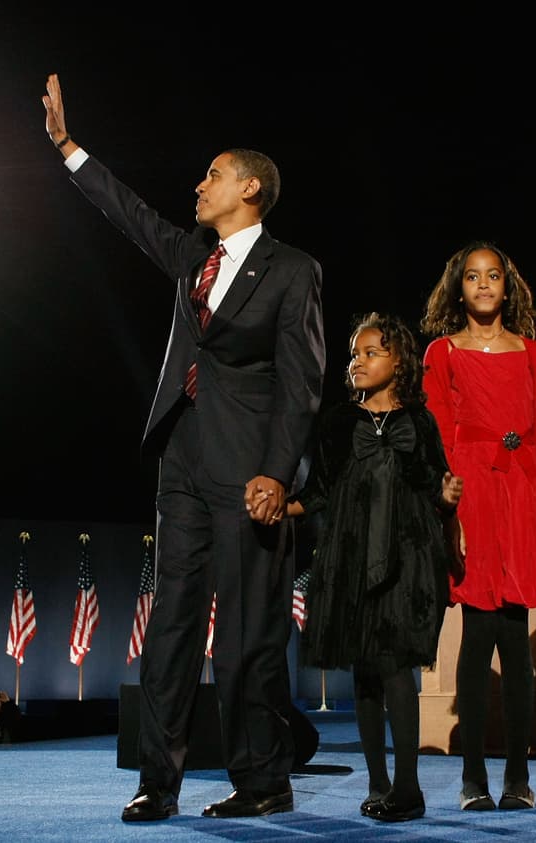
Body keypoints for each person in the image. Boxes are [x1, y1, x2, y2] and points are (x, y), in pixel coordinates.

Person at [42, 74, 325, 822]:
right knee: (169, 624)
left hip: (249, 471)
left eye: (213, 174)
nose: (198, 185)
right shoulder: (190, 256)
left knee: (245, 636)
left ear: (252, 189)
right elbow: (129, 214)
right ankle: (155, 782)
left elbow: (303, 384)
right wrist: (69, 148)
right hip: (182, 459)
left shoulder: (294, 271)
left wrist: (278, 470)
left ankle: (263, 780)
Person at [283, 312, 462, 822]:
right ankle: (379, 784)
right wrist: (279, 506)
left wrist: (447, 493)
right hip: (351, 555)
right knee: (364, 669)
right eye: (354, 354)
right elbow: (317, 491)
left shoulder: (419, 420)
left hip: (407, 554)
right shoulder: (339, 422)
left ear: (399, 360)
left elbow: (433, 480)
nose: (357, 362)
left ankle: (409, 789)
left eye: (370, 353)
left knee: (393, 661)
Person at [419, 240, 536, 811]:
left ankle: (518, 778)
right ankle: (473, 778)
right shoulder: (441, 352)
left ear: (508, 285)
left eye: (492, 275)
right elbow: (435, 434)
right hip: (470, 490)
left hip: (520, 491)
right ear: (459, 286)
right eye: (472, 276)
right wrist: (450, 511)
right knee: (477, 637)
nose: (482, 284)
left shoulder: (535, 354)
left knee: (516, 640)